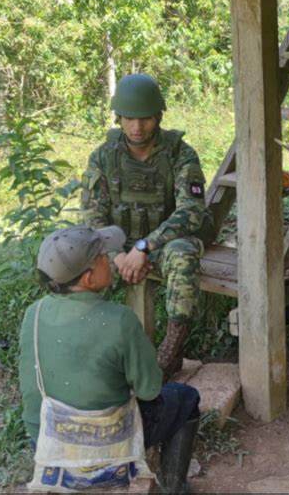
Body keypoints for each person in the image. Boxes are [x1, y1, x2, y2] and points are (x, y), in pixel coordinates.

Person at [19, 225, 200, 493]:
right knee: (186, 398)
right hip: (108, 447)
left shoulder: (33, 314)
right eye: (104, 256)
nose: (113, 259)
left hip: (48, 443)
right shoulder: (120, 319)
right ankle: (175, 488)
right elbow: (149, 390)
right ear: (88, 279)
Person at [81, 73, 214, 380]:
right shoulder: (104, 156)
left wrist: (144, 247)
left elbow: (191, 211)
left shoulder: (180, 153)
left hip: (164, 245)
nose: (137, 128)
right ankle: (89, 344)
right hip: (120, 247)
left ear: (158, 116)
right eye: (129, 119)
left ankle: (170, 351)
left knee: (182, 254)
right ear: (118, 118)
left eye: (145, 119)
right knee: (75, 263)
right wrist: (117, 254)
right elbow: (91, 215)